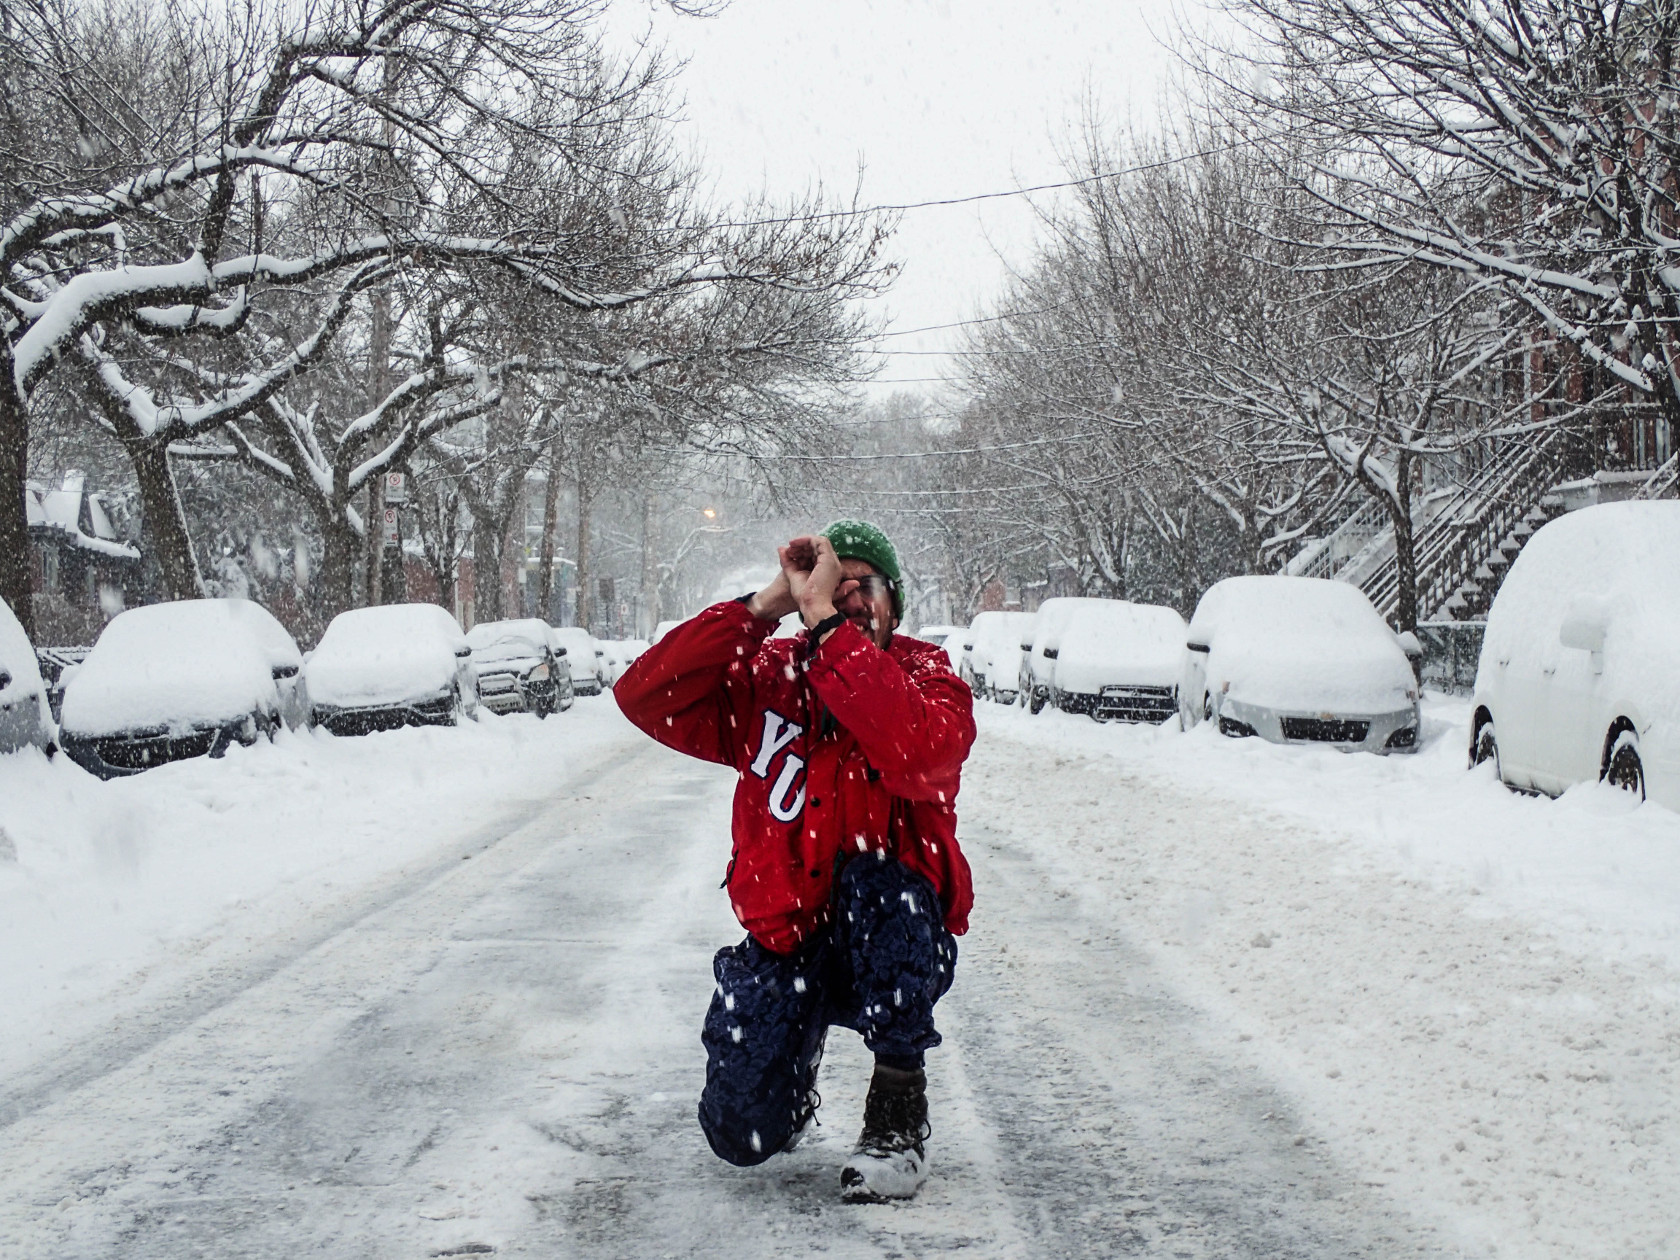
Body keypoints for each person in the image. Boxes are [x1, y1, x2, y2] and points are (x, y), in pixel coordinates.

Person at [613, 519, 976, 1202]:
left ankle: (896, 1112)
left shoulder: (929, 678)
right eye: (833, 589)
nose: (849, 601)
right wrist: (760, 608)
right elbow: (642, 694)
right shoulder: (769, 681)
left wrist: (830, 634)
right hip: (788, 943)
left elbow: (919, 747)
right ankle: (791, 1074)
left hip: (892, 943)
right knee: (740, 1135)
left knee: (884, 887)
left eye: (864, 587)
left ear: (894, 602)